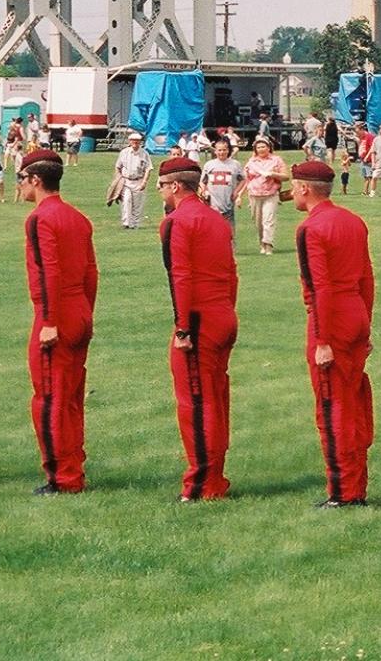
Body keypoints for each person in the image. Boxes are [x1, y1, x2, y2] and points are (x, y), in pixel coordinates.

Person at [291, 158, 376, 508]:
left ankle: (343, 491)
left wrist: (323, 339)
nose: (292, 193)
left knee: (332, 407)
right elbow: (367, 278)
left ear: (305, 189)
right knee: (354, 401)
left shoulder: (311, 229)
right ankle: (357, 482)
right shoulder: (353, 221)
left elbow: (320, 287)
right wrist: (366, 324)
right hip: (355, 312)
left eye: (295, 186)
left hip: (332, 318)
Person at [156, 154, 238, 501]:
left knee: (196, 404)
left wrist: (183, 329)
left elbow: (180, 277)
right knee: (217, 400)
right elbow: (231, 272)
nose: (158, 191)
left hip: (200, 318)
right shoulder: (217, 220)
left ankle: (202, 483)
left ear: (175, 186)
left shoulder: (177, 221)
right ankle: (215, 475)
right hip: (223, 313)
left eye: (160, 186)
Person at [18, 148, 98, 494]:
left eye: (21, 179)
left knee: (50, 398)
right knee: (71, 397)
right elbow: (91, 272)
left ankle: (62, 477)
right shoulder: (78, 218)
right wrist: (86, 310)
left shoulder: (40, 218)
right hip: (79, 308)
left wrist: (49, 319)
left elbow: (48, 269)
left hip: (56, 313)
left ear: (35, 180)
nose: (19, 185)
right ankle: (73, 466)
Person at [243, 136, 289, 254]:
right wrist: (240, 195)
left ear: (269, 148)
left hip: (271, 194)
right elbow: (246, 179)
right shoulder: (251, 161)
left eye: (263, 146)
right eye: (258, 147)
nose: (261, 149)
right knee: (258, 223)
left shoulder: (276, 160)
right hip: (254, 194)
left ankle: (268, 245)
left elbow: (286, 176)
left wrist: (273, 174)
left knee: (268, 220)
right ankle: (262, 243)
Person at [199, 138, 242, 232]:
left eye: (224, 150)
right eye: (219, 150)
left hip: (228, 204)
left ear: (228, 150)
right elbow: (202, 181)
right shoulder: (209, 165)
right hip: (212, 205)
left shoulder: (235, 165)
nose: (222, 152)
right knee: (213, 233)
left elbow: (243, 180)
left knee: (229, 233)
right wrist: (204, 191)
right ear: (215, 150)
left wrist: (236, 192)